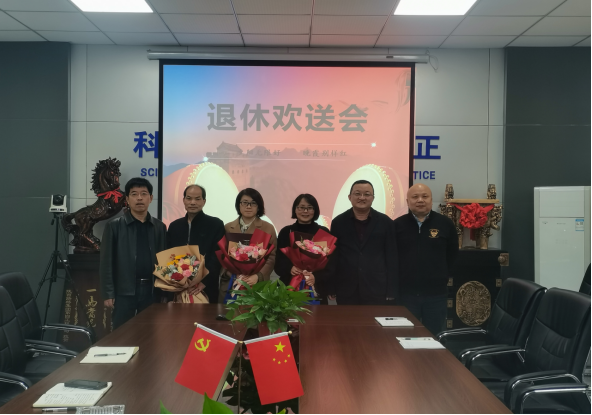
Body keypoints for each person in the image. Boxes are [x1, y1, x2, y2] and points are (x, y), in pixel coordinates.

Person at [100, 177, 166, 329]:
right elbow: (106, 262)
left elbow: (164, 261)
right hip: (124, 291)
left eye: (144, 194)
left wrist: (164, 292)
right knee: (122, 334)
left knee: (149, 333)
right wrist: (108, 293)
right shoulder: (114, 226)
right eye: (134, 194)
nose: (139, 198)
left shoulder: (159, 227)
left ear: (151, 198)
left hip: (151, 290)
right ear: (127, 199)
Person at [393, 183, 459, 335]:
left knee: (434, 336)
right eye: (415, 197)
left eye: (425, 196)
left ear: (431, 200)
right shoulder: (397, 225)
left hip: (436, 295)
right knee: (405, 336)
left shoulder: (445, 224)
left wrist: (441, 277)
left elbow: (452, 255)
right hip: (406, 295)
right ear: (407, 201)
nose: (420, 200)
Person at [328, 180, 398, 305]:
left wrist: (391, 290)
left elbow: (391, 257)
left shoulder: (386, 222)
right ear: (349, 197)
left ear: (373, 198)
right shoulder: (338, 222)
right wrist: (331, 286)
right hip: (346, 288)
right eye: (357, 194)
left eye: (367, 194)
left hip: (376, 288)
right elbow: (333, 257)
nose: (362, 197)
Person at [166, 184, 226, 303]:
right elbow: (168, 257)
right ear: (183, 200)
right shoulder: (174, 226)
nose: (193, 202)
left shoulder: (215, 224)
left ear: (204, 201)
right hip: (177, 288)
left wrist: (204, 282)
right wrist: (176, 281)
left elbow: (217, 257)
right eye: (189, 198)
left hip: (205, 288)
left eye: (197, 199)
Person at [218, 188, 277, 303]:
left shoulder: (268, 228)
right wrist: (232, 274)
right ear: (238, 205)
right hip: (232, 282)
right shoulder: (228, 227)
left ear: (259, 206)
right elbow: (222, 256)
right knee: (228, 313)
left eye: (253, 203)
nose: (248, 206)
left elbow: (271, 257)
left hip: (256, 284)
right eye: (245, 202)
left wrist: (258, 276)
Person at [274, 194, 335, 304]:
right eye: (301, 207)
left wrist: (315, 277)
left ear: (315, 210)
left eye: (309, 208)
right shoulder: (286, 232)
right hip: (289, 286)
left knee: (318, 315)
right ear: (295, 209)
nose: (305, 211)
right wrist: (289, 268)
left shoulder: (323, 232)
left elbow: (331, 263)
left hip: (317, 287)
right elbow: (278, 261)